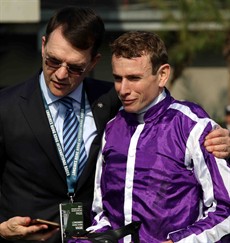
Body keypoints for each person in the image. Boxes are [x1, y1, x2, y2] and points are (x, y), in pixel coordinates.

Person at [0, 7, 229, 243]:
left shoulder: (114, 101)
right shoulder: (5, 106)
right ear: (43, 45)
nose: (60, 74)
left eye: (75, 67)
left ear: (92, 63)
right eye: (53, 61)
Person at [78, 31, 230, 243]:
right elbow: (101, 212)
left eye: (134, 78)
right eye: (117, 78)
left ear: (162, 75)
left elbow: (225, 211)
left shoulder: (193, 125)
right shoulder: (112, 128)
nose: (123, 89)